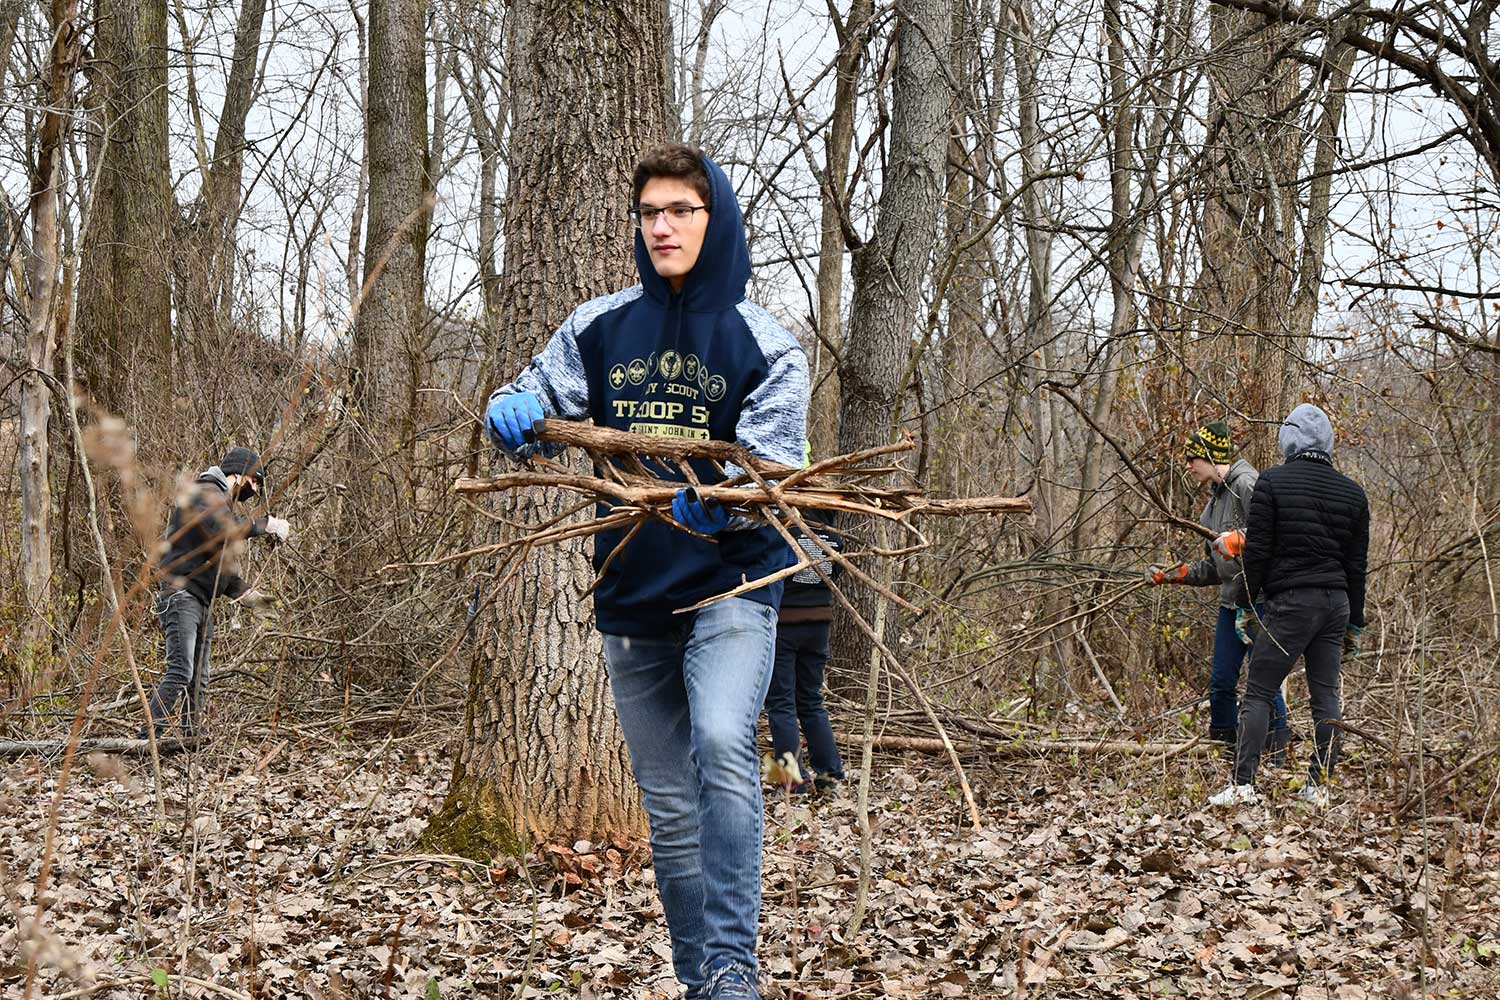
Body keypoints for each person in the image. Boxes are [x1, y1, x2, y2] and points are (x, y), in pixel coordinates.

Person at [484, 144, 808, 1000]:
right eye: (650, 213)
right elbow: (536, 394)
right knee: (668, 806)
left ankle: (735, 968)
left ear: (717, 220)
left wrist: (730, 498)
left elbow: (771, 467)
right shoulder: (599, 326)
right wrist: (512, 410)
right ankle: (703, 979)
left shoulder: (766, 344)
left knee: (721, 741)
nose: (661, 227)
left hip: (734, 584)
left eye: (681, 211)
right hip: (633, 592)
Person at [1209, 403, 1369, 808]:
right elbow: (1356, 566)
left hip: (1292, 602)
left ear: (1288, 440)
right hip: (1335, 605)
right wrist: (1355, 623)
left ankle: (1244, 785)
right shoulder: (1354, 493)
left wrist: (1246, 607)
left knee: (1259, 691)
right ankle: (1318, 787)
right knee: (1325, 697)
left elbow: (1258, 554)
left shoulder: (1272, 483)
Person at [1147, 421, 1289, 755]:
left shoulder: (1248, 485)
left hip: (1260, 604)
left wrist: (1243, 540)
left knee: (1264, 682)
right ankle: (1223, 748)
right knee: (1222, 682)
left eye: (1192, 458)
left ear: (1211, 457)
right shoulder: (1211, 507)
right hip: (1230, 604)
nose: (1188, 466)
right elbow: (1215, 568)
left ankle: (1277, 752)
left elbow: (1276, 539)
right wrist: (1179, 574)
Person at [141, 447, 290, 738]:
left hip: (201, 600)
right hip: (181, 595)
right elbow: (222, 530)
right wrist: (265, 525)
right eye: (254, 482)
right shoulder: (205, 492)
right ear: (241, 475)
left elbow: (221, 570)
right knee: (181, 672)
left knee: (199, 678)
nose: (255, 490)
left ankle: (192, 738)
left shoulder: (219, 504)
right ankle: (146, 739)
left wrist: (257, 601)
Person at [763, 503, 845, 795]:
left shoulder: (785, 532)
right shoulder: (833, 538)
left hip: (784, 626)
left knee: (781, 703)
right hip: (819, 625)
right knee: (810, 700)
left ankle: (792, 781)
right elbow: (835, 573)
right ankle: (830, 775)